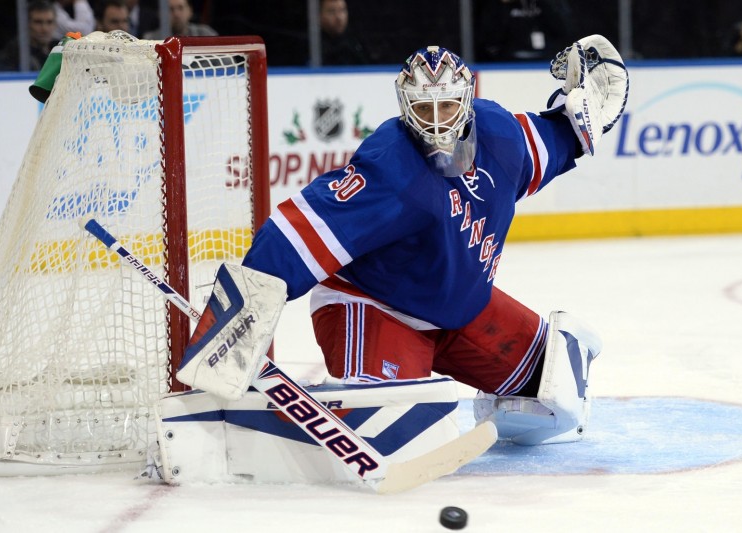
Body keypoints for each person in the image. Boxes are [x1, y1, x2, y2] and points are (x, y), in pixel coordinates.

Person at [178, 38, 629, 448]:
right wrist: (235, 327)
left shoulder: (503, 138)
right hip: (373, 304)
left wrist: (586, 116)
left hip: (456, 309)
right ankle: (285, 425)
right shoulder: (391, 168)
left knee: (557, 398)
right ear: (405, 105)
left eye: (447, 108)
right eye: (424, 109)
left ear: (467, 102)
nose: (436, 124)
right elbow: (295, 236)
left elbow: (557, 138)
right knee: (390, 428)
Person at [0, 1, 57, 71]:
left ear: (55, 24)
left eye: (49, 22)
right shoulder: (14, 53)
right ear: (26, 24)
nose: (45, 29)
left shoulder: (61, 49)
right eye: (38, 22)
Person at [319, 0, 370, 65]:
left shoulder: (356, 43)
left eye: (342, 10)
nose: (339, 17)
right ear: (319, 16)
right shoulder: (312, 47)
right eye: (331, 12)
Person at [142, 0, 217, 40]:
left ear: (190, 11)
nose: (176, 14)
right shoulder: (150, 40)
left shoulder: (206, 34)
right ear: (160, 14)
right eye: (170, 9)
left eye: (180, 8)